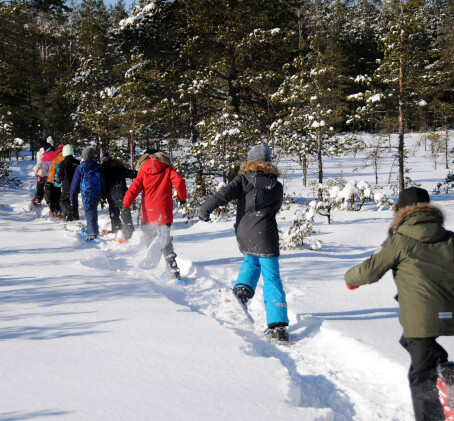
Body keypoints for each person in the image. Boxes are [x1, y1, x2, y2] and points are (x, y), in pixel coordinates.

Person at [344, 187, 454, 421]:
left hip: (421, 316)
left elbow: (369, 271)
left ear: (400, 212)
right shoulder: (450, 238)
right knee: (415, 344)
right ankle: (445, 371)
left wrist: (350, 279)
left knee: (421, 376)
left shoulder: (399, 240)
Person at [198, 144, 290, 344]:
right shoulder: (277, 185)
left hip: (245, 231)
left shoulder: (243, 180)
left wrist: (205, 209)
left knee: (251, 261)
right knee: (272, 278)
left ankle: (241, 292)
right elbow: (274, 207)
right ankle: (278, 327)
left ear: (250, 161)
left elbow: (222, 195)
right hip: (266, 234)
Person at [122, 151, 186, 280]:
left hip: (148, 213)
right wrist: (181, 197)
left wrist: (125, 205)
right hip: (164, 214)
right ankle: (172, 269)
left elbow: (133, 189)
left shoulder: (143, 172)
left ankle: (153, 247)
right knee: (166, 241)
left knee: (148, 233)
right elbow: (179, 181)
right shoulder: (168, 170)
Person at [70, 146, 106, 241]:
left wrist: (72, 196)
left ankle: (92, 232)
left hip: (86, 193)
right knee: (93, 210)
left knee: (89, 211)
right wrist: (103, 194)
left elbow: (74, 183)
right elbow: (103, 181)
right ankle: (94, 229)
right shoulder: (98, 167)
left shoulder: (81, 167)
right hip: (96, 192)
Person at [101, 152, 137, 240]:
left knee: (113, 211)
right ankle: (128, 229)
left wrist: (102, 196)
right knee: (124, 210)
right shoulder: (119, 167)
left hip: (111, 194)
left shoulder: (103, 170)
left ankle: (117, 228)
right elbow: (131, 173)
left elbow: (102, 184)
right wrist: (140, 173)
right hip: (122, 191)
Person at [56, 145, 80, 221]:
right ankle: (75, 216)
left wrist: (58, 180)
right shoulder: (77, 163)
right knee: (74, 200)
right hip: (76, 186)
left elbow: (60, 176)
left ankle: (68, 212)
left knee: (62, 201)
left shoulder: (62, 163)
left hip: (66, 186)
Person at [46, 142, 66, 218]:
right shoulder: (66, 159)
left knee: (56, 197)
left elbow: (52, 172)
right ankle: (63, 210)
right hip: (64, 182)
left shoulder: (55, 160)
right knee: (63, 197)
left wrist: (49, 181)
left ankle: (56, 211)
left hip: (56, 182)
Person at [32, 141, 49, 207]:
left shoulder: (39, 153)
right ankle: (48, 201)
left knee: (40, 187)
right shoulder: (49, 152)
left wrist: (35, 171)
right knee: (47, 187)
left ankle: (38, 200)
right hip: (48, 172)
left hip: (41, 173)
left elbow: (39, 163)